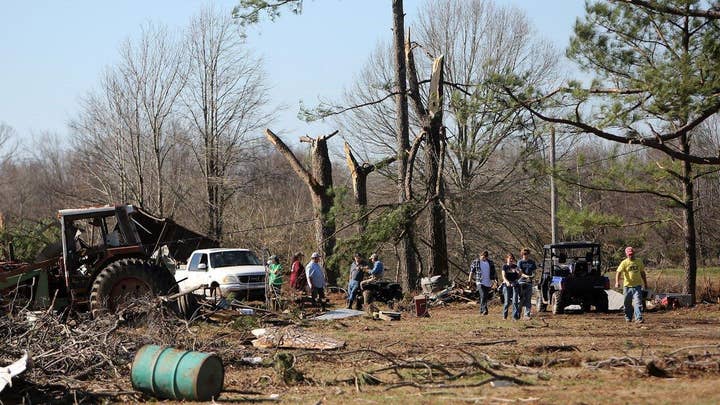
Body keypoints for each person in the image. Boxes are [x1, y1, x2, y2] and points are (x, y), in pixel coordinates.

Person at [615, 246, 647, 324]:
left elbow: (642, 273)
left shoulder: (639, 261)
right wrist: (617, 282)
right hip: (627, 286)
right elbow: (618, 272)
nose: (630, 255)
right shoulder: (624, 263)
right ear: (626, 254)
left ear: (634, 253)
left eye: (632, 254)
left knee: (638, 303)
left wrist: (645, 283)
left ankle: (638, 318)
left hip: (637, 286)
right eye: (629, 254)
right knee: (627, 303)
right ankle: (628, 317)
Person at [468, 251, 497, 315]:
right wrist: (469, 280)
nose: (483, 258)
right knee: (483, 294)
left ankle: (481, 310)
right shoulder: (476, 262)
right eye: (482, 256)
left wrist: (495, 280)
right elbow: (471, 272)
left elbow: (494, 272)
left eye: (485, 257)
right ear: (480, 256)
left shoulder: (490, 263)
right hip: (479, 281)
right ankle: (485, 310)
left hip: (488, 282)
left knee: (484, 297)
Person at [517, 248, 537, 320]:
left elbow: (534, 271)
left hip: (529, 283)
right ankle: (518, 313)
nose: (525, 255)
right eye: (524, 254)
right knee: (521, 299)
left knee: (528, 299)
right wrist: (527, 276)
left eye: (527, 254)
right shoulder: (520, 262)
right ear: (522, 254)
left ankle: (527, 315)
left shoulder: (532, 262)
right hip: (521, 282)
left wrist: (532, 276)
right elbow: (520, 273)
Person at [501, 253, 521, 320]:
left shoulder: (515, 267)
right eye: (510, 258)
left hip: (514, 284)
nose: (511, 260)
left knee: (515, 301)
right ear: (507, 259)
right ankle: (504, 316)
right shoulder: (505, 266)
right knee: (507, 302)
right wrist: (507, 282)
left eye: (512, 258)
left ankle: (514, 317)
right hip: (506, 285)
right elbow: (503, 276)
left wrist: (519, 273)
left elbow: (519, 276)